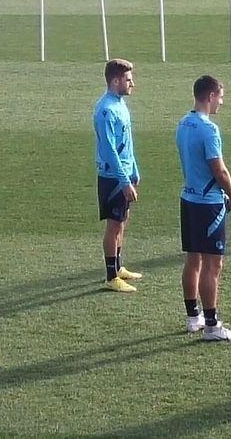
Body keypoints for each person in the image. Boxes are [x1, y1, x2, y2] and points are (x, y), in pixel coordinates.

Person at [177, 75, 231, 341]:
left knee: (193, 259)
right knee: (213, 264)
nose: (221, 102)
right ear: (210, 96)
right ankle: (212, 325)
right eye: (220, 97)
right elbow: (219, 168)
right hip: (208, 204)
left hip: (189, 198)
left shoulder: (183, 124)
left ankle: (193, 317)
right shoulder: (209, 129)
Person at [94, 58, 142, 293]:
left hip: (124, 173)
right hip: (113, 178)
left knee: (122, 222)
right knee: (114, 226)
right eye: (128, 79)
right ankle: (111, 275)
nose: (132, 84)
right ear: (115, 81)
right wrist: (124, 180)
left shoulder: (120, 104)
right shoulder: (105, 110)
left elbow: (127, 143)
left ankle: (119, 266)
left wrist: (134, 171)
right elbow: (109, 150)